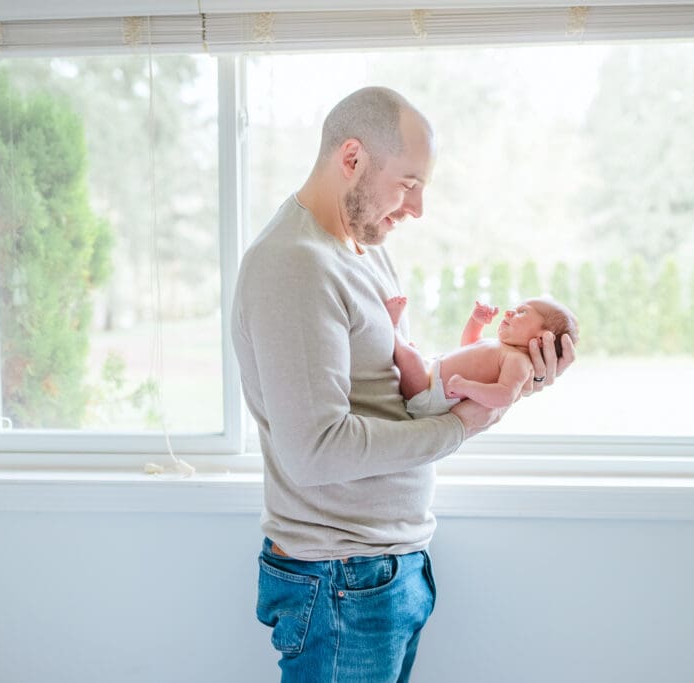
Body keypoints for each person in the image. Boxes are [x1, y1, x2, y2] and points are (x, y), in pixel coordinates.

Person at [231, 86, 575, 683]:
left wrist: (508, 375)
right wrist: (460, 426)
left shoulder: (362, 250)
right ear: (353, 158)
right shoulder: (294, 264)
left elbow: (402, 398)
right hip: (340, 581)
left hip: (382, 572)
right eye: (409, 183)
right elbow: (315, 451)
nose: (417, 208)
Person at [386, 296, 579, 417]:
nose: (510, 312)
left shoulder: (518, 362)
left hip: (429, 395)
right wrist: (476, 322)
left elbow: (504, 395)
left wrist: (466, 387)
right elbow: (468, 346)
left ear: (541, 337)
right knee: (412, 357)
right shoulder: (501, 348)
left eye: (522, 312)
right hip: (430, 377)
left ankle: (392, 329)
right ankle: (406, 354)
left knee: (410, 356)